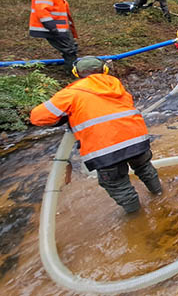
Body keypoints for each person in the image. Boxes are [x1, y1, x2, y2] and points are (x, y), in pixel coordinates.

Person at [30, 56, 162, 214]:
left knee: (118, 185)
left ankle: (137, 220)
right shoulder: (117, 86)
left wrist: (67, 116)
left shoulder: (71, 93)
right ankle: (160, 195)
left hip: (104, 149)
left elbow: (37, 117)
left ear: (76, 73)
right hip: (137, 140)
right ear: (104, 70)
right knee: (145, 168)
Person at [29, 0, 78, 75]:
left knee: (70, 47)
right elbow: (42, 11)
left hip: (58, 29)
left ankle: (73, 69)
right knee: (69, 50)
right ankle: (72, 73)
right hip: (53, 29)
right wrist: (52, 27)